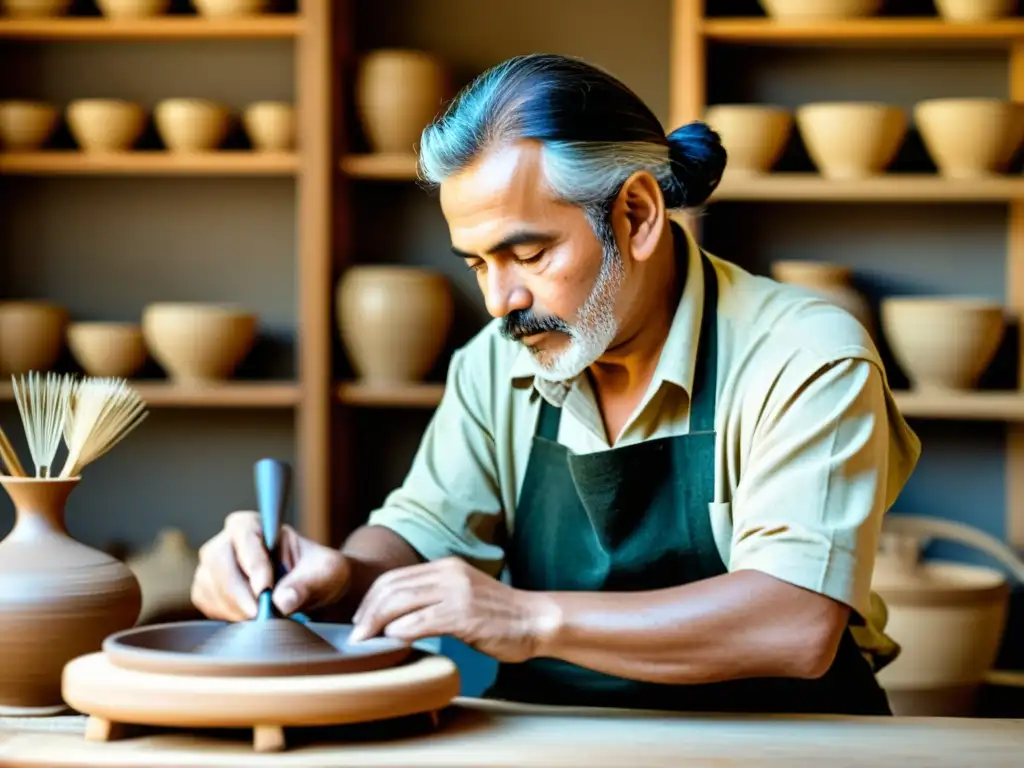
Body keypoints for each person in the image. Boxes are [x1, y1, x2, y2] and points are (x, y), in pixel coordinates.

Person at [191, 53, 922, 715]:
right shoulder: (494, 359)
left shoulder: (803, 356)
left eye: (529, 253)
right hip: (559, 736)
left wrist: (526, 620)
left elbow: (793, 623)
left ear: (636, 214)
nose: (498, 300)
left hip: (785, 745)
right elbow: (421, 537)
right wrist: (332, 575)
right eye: (477, 263)